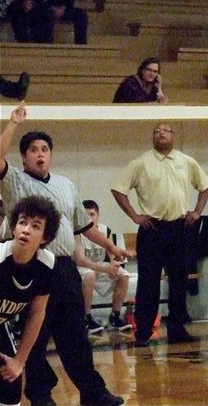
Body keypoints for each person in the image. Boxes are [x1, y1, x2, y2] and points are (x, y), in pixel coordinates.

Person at [0, 103, 127, 406]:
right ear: (24, 156)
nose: (40, 153)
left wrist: (110, 246)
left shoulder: (66, 185)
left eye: (45, 148)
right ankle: (40, 395)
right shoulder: (14, 181)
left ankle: (93, 392)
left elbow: (84, 226)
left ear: (51, 155)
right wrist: (13, 123)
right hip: (30, 266)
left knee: (75, 335)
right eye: (33, 149)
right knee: (36, 334)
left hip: (65, 268)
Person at [111, 122, 208, 347]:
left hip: (179, 227)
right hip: (152, 228)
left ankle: (177, 329)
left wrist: (197, 212)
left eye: (165, 131)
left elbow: (205, 186)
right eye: (156, 131)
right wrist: (135, 216)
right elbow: (118, 189)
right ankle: (143, 332)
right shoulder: (141, 163)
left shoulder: (186, 162)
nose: (160, 134)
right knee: (149, 281)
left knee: (178, 280)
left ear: (173, 136)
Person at [0, 196, 58, 406]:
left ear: (45, 237)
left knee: (11, 380)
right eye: (22, 222)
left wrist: (20, 361)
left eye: (35, 226)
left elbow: (36, 313)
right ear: (13, 228)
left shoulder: (46, 265)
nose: (26, 229)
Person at [77, 200, 132, 334]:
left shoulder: (104, 229)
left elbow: (112, 254)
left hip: (99, 266)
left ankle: (115, 316)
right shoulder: (77, 231)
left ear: (98, 215)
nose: (90, 218)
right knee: (89, 275)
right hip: (81, 267)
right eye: (87, 215)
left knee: (123, 275)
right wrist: (103, 269)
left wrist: (115, 264)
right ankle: (86, 318)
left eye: (92, 214)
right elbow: (80, 260)